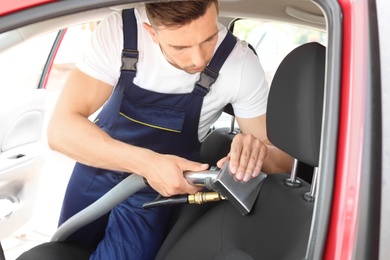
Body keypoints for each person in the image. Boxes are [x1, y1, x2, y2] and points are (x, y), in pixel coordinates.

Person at [47, 0, 292, 259]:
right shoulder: (121, 32)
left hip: (158, 193)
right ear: (150, 32)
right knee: (64, 249)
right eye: (180, 46)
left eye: (209, 38)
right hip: (95, 170)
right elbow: (60, 130)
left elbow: (283, 161)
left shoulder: (240, 64)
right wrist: (147, 164)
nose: (199, 59)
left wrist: (259, 153)